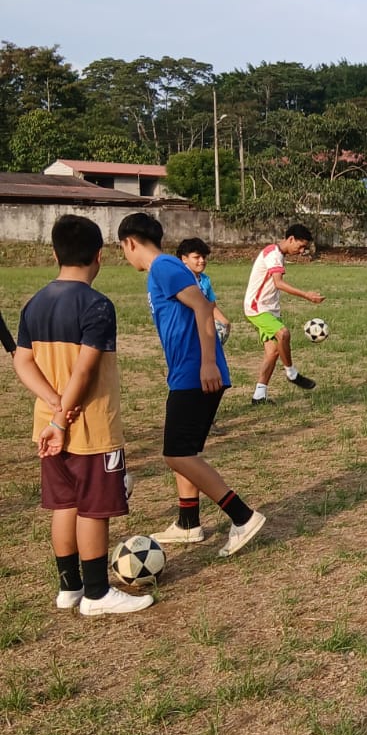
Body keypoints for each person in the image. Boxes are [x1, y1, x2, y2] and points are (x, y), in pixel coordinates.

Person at [11, 215, 152, 615]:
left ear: (55, 254)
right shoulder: (97, 305)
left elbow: (23, 361)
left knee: (65, 505)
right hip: (90, 428)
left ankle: (68, 588)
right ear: (99, 256)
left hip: (48, 427)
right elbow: (85, 370)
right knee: (94, 509)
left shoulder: (35, 303)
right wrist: (63, 417)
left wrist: (53, 406)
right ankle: (96, 594)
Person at [118, 213, 265, 556]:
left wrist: (208, 362)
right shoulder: (164, 269)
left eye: (122, 249)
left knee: (177, 454)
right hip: (186, 372)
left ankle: (242, 516)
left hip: (195, 372)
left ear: (130, 243)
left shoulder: (163, 267)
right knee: (184, 451)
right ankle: (188, 523)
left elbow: (203, 306)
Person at [243, 225, 323, 404]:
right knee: (283, 334)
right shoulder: (273, 254)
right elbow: (278, 283)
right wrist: (307, 295)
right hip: (257, 308)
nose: (301, 251)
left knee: (273, 352)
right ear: (291, 239)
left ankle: (259, 395)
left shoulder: (278, 254)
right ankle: (291, 373)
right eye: (300, 246)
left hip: (269, 309)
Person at [177, 237, 231, 337]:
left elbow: (211, 304)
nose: (202, 260)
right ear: (184, 259)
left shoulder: (205, 280)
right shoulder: (180, 279)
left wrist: (224, 322)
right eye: (197, 257)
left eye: (204, 257)